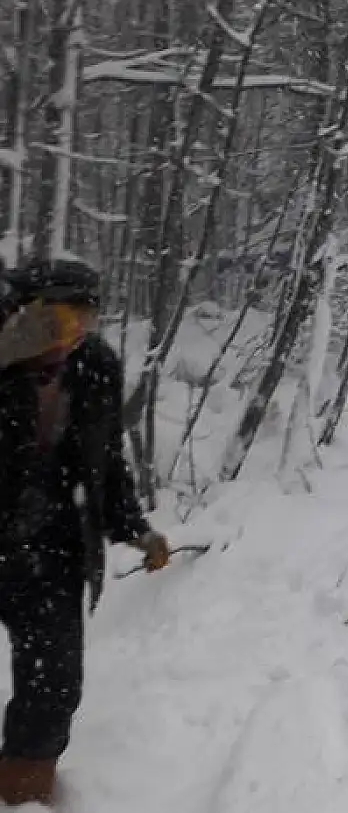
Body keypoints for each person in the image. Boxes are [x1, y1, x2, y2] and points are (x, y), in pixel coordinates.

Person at [0, 259, 170, 807]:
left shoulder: (93, 366)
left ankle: (22, 794)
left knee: (53, 685)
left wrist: (135, 530)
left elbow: (104, 462)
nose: (70, 339)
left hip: (51, 546)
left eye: (84, 322)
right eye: (57, 322)